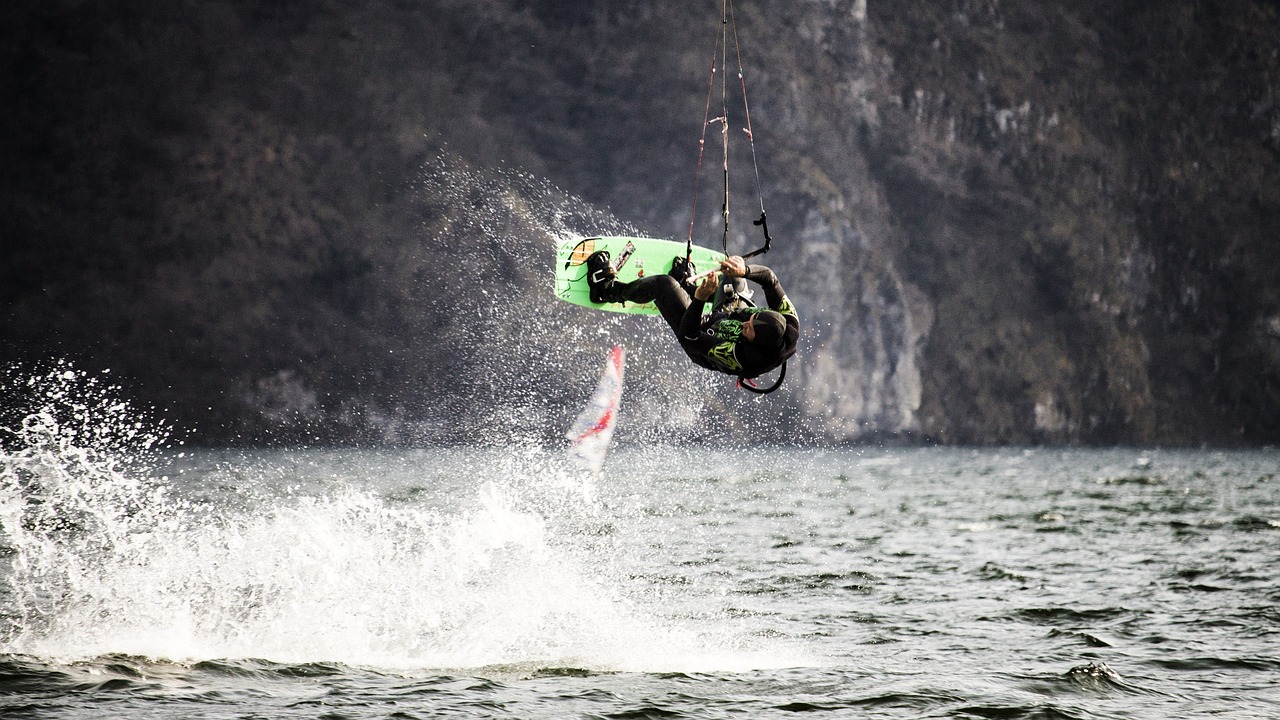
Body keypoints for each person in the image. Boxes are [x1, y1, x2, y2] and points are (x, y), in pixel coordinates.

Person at [585, 250, 798, 385]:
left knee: (664, 285)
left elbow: (689, 336)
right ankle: (688, 287)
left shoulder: (743, 355)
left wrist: (698, 300)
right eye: (752, 318)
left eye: (748, 329)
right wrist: (744, 270)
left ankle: (607, 290)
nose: (745, 324)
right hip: (725, 314)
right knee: (733, 275)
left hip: (699, 338)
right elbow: (770, 279)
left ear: (755, 341)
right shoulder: (790, 323)